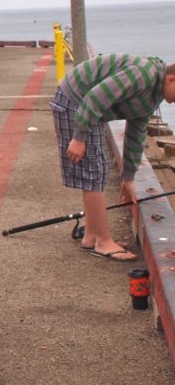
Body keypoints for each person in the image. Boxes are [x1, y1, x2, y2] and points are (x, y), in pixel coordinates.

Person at [50, 54, 175, 260]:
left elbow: (136, 133)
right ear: (171, 80)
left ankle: (92, 236)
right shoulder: (142, 74)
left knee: (97, 169)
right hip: (76, 100)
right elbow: (95, 98)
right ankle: (103, 242)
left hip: (88, 108)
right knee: (94, 171)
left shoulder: (154, 94)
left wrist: (128, 178)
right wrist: (79, 137)